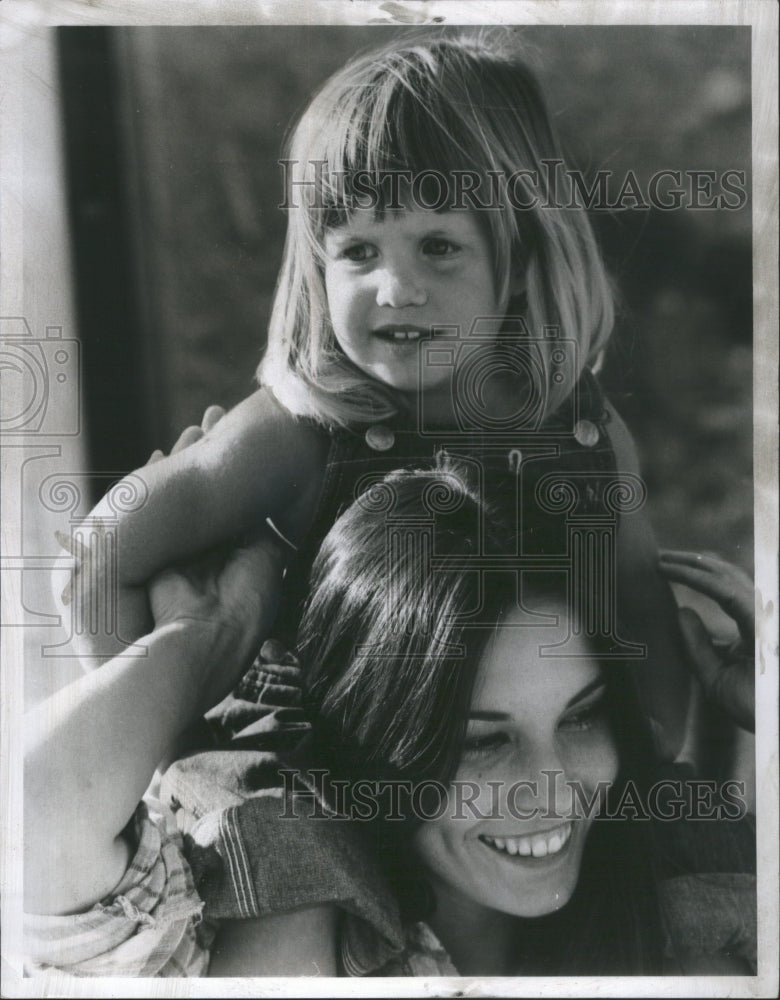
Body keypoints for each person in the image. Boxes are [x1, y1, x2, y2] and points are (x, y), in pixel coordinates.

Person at [59, 28, 689, 760]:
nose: (396, 289)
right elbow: (99, 560)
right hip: (324, 818)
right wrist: (172, 760)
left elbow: (645, 630)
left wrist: (635, 790)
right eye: (359, 251)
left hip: (516, 804)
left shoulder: (584, 436)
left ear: (518, 262)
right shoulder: (301, 432)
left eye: (438, 246)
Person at [26, 460, 756, 978]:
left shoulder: (697, 920)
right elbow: (36, 809)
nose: (554, 788)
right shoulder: (255, 934)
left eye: (582, 716)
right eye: (483, 740)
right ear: (375, 738)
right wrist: (213, 630)